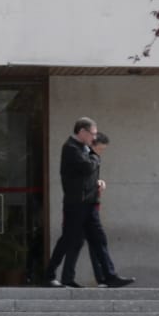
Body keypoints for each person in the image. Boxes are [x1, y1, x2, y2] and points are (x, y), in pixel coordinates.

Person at [46, 117, 133, 289]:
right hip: (76, 204)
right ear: (82, 132)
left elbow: (86, 174)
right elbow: (86, 167)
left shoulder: (84, 149)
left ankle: (109, 276)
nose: (94, 138)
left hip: (90, 203)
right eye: (92, 134)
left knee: (99, 240)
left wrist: (98, 182)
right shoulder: (70, 148)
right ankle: (49, 275)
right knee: (68, 240)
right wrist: (95, 155)